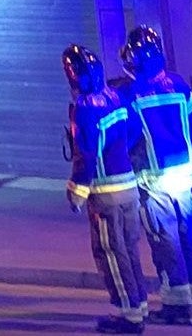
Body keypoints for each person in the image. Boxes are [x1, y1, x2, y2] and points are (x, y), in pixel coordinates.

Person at [120, 26, 192, 325]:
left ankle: (177, 307)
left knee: (165, 242)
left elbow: (129, 137)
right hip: (186, 176)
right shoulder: (180, 85)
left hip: (154, 179)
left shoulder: (132, 93)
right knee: (189, 239)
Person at [64, 44, 148, 334]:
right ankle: (140, 306)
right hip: (129, 187)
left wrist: (76, 192)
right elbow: (135, 132)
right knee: (129, 249)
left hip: (105, 193)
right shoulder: (116, 96)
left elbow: (85, 154)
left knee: (111, 252)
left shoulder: (84, 109)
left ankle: (128, 315)